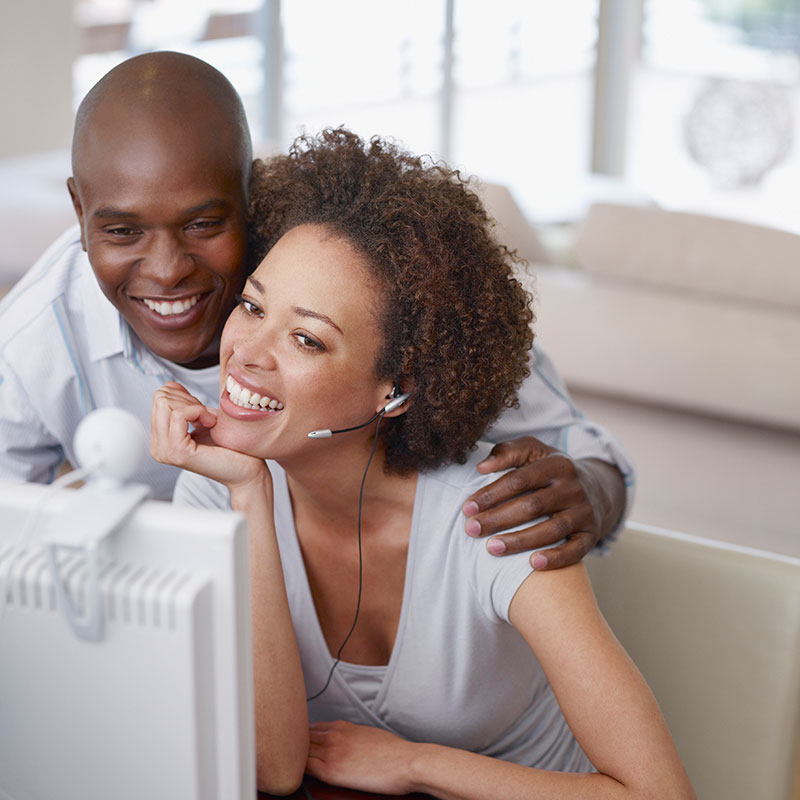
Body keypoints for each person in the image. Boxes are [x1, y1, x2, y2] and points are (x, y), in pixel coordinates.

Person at [150, 128, 693, 798]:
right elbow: (275, 768)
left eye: (306, 338)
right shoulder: (218, 494)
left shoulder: (499, 515)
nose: (248, 353)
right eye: (253, 306)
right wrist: (248, 498)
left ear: (397, 389)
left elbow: (661, 794)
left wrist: (415, 764)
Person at [0, 50, 633, 568]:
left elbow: (578, 451)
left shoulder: (348, 274)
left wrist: (591, 492)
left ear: (251, 195)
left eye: (202, 223)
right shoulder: (35, 338)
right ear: (80, 212)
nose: (167, 270)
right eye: (121, 233)